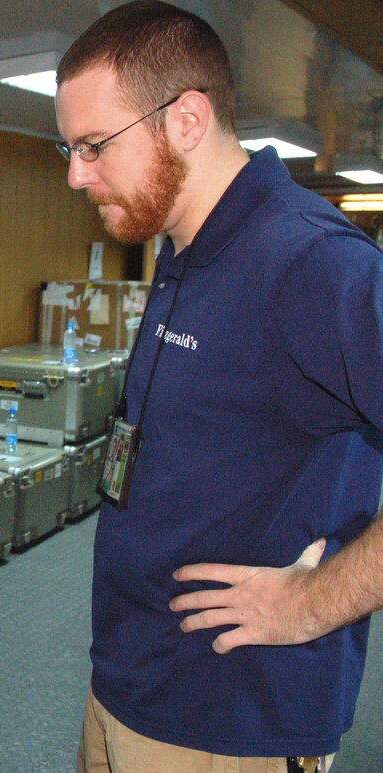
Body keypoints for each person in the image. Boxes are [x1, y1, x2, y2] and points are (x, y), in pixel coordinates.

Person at [54, 2, 383, 770]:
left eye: (95, 145)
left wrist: (313, 602)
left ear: (187, 120)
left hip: (227, 724)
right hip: (129, 684)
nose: (76, 174)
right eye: (68, 148)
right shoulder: (184, 244)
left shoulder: (311, 262)